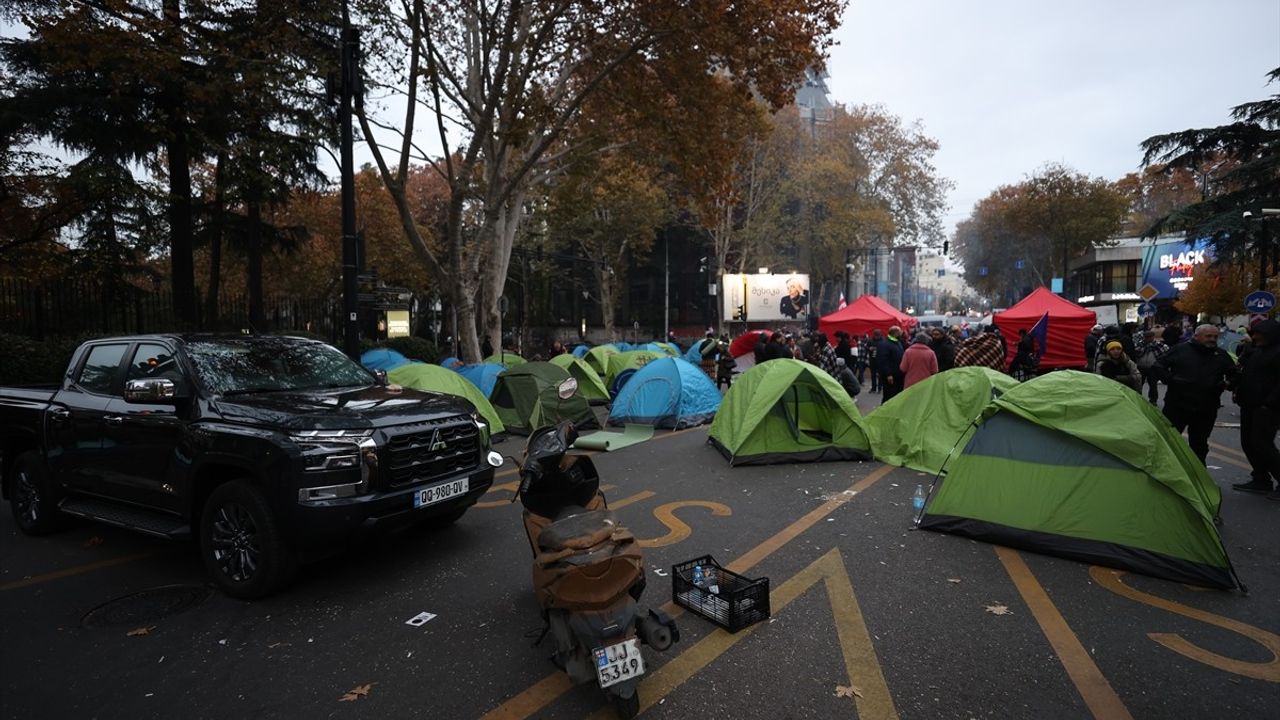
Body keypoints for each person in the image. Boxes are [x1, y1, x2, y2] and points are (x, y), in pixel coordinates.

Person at [1150, 324, 1239, 465]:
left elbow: (1234, 374)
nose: (1212, 339)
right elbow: (1158, 366)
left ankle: (1199, 475)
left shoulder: (1221, 355)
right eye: (1208, 336)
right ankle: (1164, 468)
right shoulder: (1180, 350)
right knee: (1169, 439)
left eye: (1215, 337)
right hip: (1178, 404)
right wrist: (1172, 380)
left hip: (1206, 407)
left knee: (1199, 444)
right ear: (1197, 336)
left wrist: (1225, 385)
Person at [1231, 319, 1280, 498]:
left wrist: (1270, 403)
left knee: (1263, 445)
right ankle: (1261, 478)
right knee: (1249, 443)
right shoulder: (1257, 351)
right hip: (1249, 404)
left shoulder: (1277, 352)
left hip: (1267, 408)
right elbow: (1245, 373)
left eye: (1259, 334)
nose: (1255, 336)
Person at [1133, 329, 1169, 403]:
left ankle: (1153, 400)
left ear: (1153, 336)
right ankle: (1138, 398)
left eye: (1150, 337)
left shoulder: (1159, 345)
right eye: (1146, 337)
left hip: (1153, 368)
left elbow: (1165, 354)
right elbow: (1136, 353)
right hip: (1141, 367)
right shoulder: (1139, 344)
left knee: (1153, 385)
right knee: (1139, 385)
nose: (1148, 338)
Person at [875, 326, 906, 401]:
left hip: (898, 375)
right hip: (891, 376)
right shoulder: (884, 344)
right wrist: (888, 374)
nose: (901, 334)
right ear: (895, 333)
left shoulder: (897, 342)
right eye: (900, 332)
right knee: (889, 396)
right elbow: (882, 361)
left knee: (896, 395)